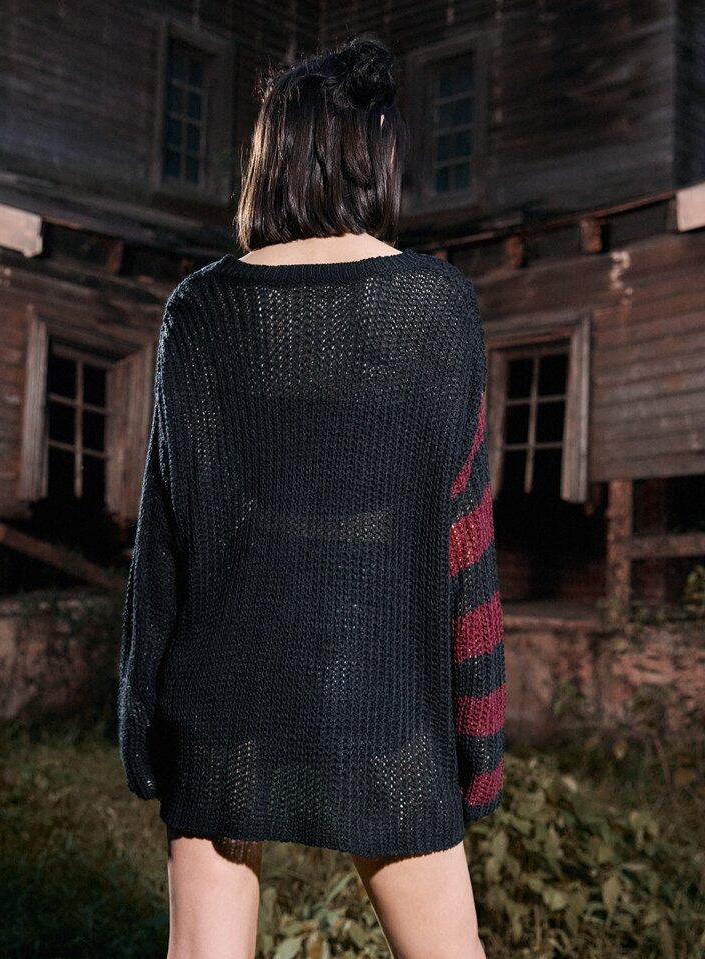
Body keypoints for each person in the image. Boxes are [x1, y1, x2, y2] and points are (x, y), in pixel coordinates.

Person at [117, 31, 506, 959]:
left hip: (219, 711)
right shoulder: (438, 308)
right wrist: (479, 748)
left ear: (275, 156)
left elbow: (164, 540)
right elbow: (465, 545)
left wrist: (142, 729)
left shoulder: (200, 308)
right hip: (388, 710)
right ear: (376, 156)